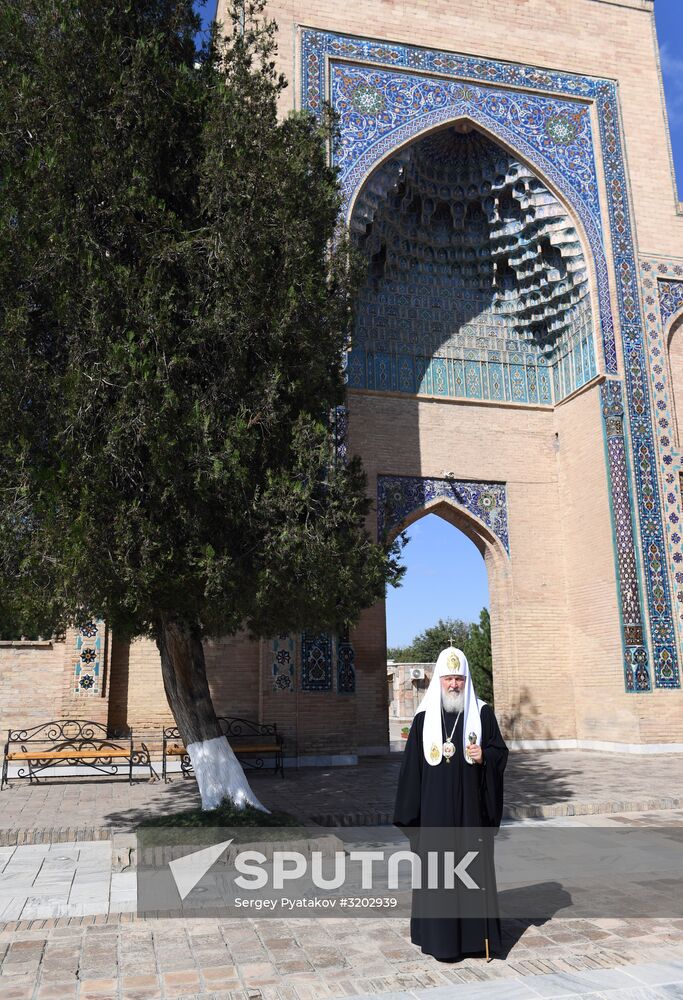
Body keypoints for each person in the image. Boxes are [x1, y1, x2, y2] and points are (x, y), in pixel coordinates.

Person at [393, 645, 508, 961]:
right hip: (435, 815)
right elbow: (411, 771)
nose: (454, 685)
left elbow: (501, 753)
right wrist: (411, 817)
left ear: (466, 679)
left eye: (459, 678)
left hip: (471, 813)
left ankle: (473, 940)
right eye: (448, 679)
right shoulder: (423, 719)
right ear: (439, 681)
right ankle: (439, 939)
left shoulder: (482, 713)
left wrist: (486, 756)